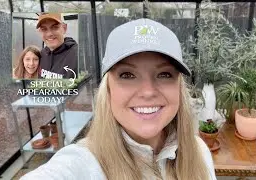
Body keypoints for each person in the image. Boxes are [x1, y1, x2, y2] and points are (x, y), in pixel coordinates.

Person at [20, 18, 217, 180]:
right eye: (127, 75)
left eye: (164, 74)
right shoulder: (83, 163)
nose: (148, 92)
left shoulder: (199, 151)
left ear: (179, 88)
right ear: (109, 90)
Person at [36, 13, 78, 79]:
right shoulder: (42, 54)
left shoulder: (77, 55)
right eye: (44, 29)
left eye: (55, 27)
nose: (49, 34)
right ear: (39, 32)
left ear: (64, 28)